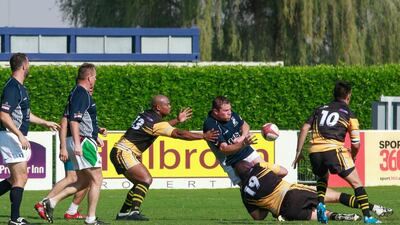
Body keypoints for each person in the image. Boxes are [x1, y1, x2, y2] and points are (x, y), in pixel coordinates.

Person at [110, 95, 219, 221]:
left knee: (140, 182)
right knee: (145, 179)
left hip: (122, 151)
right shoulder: (156, 122)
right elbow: (178, 133)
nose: (170, 106)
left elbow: (161, 126)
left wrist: (177, 120)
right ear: (158, 107)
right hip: (124, 152)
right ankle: (134, 212)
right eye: (167, 104)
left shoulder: (147, 115)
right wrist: (203, 136)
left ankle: (123, 213)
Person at [292, 81, 387, 224]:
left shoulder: (320, 109)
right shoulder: (349, 113)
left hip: (314, 152)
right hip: (333, 150)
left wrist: (298, 152)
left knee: (322, 178)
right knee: (357, 184)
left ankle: (321, 204)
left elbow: (305, 128)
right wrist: (353, 156)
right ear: (348, 96)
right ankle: (368, 217)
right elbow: (356, 143)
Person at [40, 63, 106, 225]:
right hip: (82, 142)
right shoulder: (82, 93)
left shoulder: (76, 92)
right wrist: (78, 143)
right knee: (97, 179)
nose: (95, 80)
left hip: (80, 139)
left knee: (83, 180)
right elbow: (74, 121)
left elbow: (76, 119)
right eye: (95, 77)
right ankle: (91, 219)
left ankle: (52, 201)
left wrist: (95, 134)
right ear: (90, 78)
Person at [0, 53, 60, 225]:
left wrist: (44, 122)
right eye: (29, 63)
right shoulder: (12, 87)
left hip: (12, 135)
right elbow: (3, 115)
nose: (30, 65)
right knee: (21, 178)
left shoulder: (20, 88)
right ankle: (15, 219)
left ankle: (15, 218)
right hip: (9, 135)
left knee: (14, 179)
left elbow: (26, 115)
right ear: (24, 65)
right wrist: (19, 135)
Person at [235, 160, 392, 222]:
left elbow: (258, 217)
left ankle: (341, 217)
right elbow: (283, 172)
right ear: (249, 166)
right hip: (292, 193)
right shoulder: (259, 167)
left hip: (285, 212)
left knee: (320, 215)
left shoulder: (244, 194)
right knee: (336, 196)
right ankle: (373, 208)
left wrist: (267, 206)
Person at [203, 96, 286, 186]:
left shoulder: (231, 115)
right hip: (232, 162)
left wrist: (242, 137)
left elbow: (245, 125)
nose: (229, 112)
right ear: (215, 112)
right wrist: (243, 143)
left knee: (282, 172)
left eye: (230, 109)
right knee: (249, 190)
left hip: (248, 152)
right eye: (226, 111)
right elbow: (224, 149)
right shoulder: (210, 125)